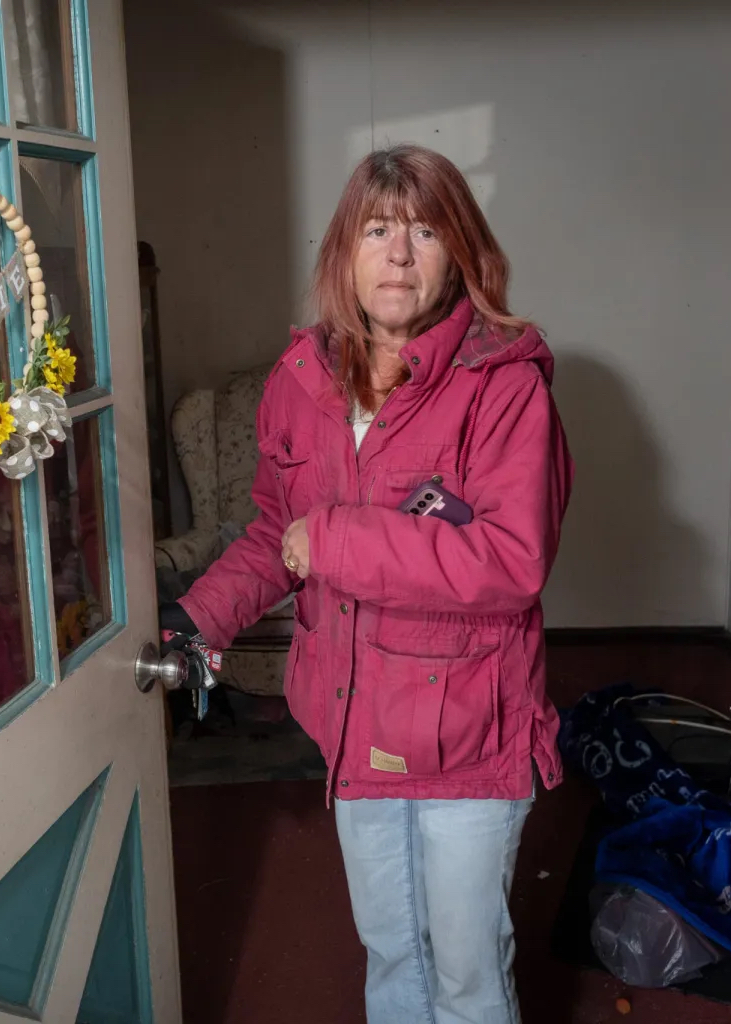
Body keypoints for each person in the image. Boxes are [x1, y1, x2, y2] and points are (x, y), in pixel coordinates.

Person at [162, 144, 573, 1024]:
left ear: (461, 254)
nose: (397, 253)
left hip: (471, 730)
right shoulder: (301, 381)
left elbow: (510, 559)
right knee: (391, 954)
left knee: (465, 971)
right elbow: (280, 533)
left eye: (425, 231)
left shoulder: (502, 387)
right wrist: (197, 617)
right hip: (356, 721)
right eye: (377, 228)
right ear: (344, 251)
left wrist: (337, 538)